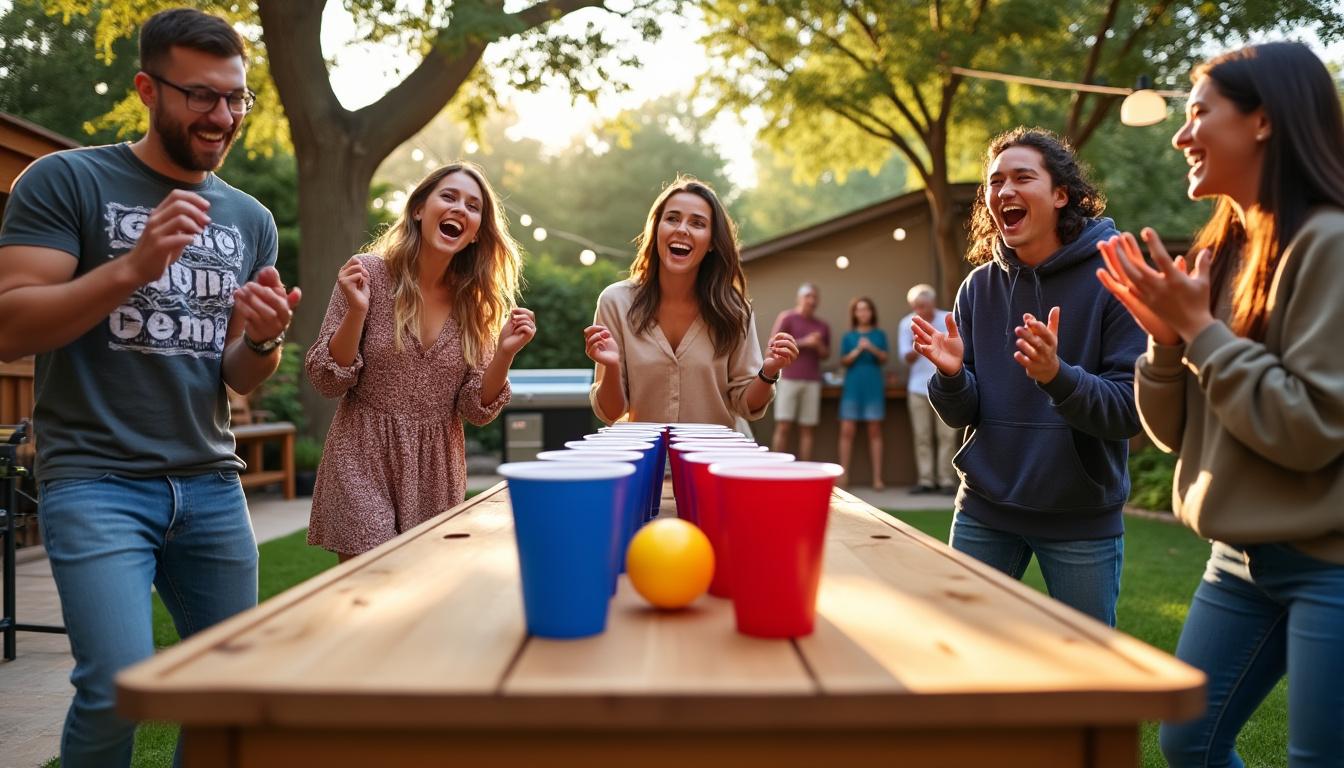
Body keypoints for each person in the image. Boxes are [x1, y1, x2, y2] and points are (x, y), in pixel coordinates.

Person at [0, 9, 299, 765]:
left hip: (208, 483)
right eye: (201, 96)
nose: (222, 116)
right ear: (146, 88)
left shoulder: (248, 218)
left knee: (227, 688)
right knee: (117, 685)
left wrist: (262, 338)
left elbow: (235, 374)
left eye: (235, 98)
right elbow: (10, 324)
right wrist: (132, 268)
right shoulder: (67, 181)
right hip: (97, 482)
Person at [1097, 42, 1344, 767]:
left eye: (1199, 111)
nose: (1180, 136)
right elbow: (1176, 436)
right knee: (1189, 741)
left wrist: (1202, 333)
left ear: (1263, 120)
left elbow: (1308, 430)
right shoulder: (1226, 251)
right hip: (1237, 557)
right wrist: (1167, 345)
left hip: (1330, 562)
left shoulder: (1328, 243)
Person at [911, 127, 1145, 627]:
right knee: (962, 649)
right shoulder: (978, 288)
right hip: (985, 509)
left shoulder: (1115, 277)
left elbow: (1129, 410)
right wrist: (952, 377)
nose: (1004, 192)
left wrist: (1058, 377)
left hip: (1080, 517)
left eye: (1022, 177)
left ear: (1062, 194)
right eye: (995, 182)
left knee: (1088, 670)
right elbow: (963, 412)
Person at [306, 162, 534, 561]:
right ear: (418, 209)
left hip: (436, 470)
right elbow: (328, 380)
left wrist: (504, 353)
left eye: (472, 205)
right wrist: (356, 312)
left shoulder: (475, 303)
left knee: (419, 598)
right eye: (448, 197)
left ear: (477, 231)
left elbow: (475, 408)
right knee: (372, 583)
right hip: (362, 456)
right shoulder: (369, 274)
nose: (460, 209)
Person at [585, 177, 798, 428]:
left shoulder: (734, 310)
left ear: (711, 242)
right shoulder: (615, 302)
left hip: (715, 461)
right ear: (656, 229)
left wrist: (768, 372)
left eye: (697, 223)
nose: (682, 229)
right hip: (646, 462)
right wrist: (610, 367)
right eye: (672, 218)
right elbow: (611, 413)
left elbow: (746, 405)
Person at [896, 284, 959, 494]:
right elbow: (906, 358)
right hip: (917, 387)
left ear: (932, 303)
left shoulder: (948, 319)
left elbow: (958, 349)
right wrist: (919, 345)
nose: (919, 311)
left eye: (923, 305)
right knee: (922, 436)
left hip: (946, 386)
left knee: (947, 436)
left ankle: (946, 480)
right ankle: (926, 480)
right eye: (916, 306)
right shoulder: (907, 323)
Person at [770, 283, 830, 459]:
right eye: (808, 296)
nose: (811, 300)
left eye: (814, 297)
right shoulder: (787, 318)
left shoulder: (822, 325)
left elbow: (826, 354)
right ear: (800, 298)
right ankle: (775, 471)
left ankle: (804, 473)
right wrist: (804, 342)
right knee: (783, 425)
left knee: (807, 428)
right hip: (788, 378)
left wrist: (818, 345)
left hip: (812, 380)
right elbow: (774, 344)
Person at [837, 296, 889, 488]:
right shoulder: (848, 336)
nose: (863, 313)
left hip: (873, 385)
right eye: (859, 310)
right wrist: (858, 350)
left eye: (866, 309)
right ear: (855, 313)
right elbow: (843, 361)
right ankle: (843, 476)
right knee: (847, 430)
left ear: (871, 312)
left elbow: (884, 358)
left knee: (874, 431)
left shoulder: (879, 334)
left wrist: (871, 348)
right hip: (852, 386)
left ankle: (877, 478)